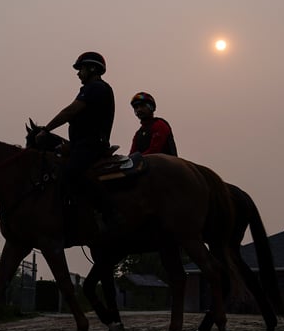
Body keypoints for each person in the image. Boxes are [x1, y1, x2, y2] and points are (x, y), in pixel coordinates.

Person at [36, 51, 116, 229]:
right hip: (81, 144)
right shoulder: (92, 88)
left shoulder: (95, 88)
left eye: (82, 69)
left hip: (91, 145)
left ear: (93, 68)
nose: (78, 73)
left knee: (70, 173)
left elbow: (69, 112)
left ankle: (105, 211)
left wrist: (46, 129)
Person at [128, 91, 178, 156]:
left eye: (142, 106)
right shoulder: (138, 134)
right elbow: (132, 154)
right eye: (136, 107)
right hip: (147, 164)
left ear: (151, 107)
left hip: (164, 165)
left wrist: (136, 159)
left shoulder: (160, 125)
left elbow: (154, 151)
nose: (139, 110)